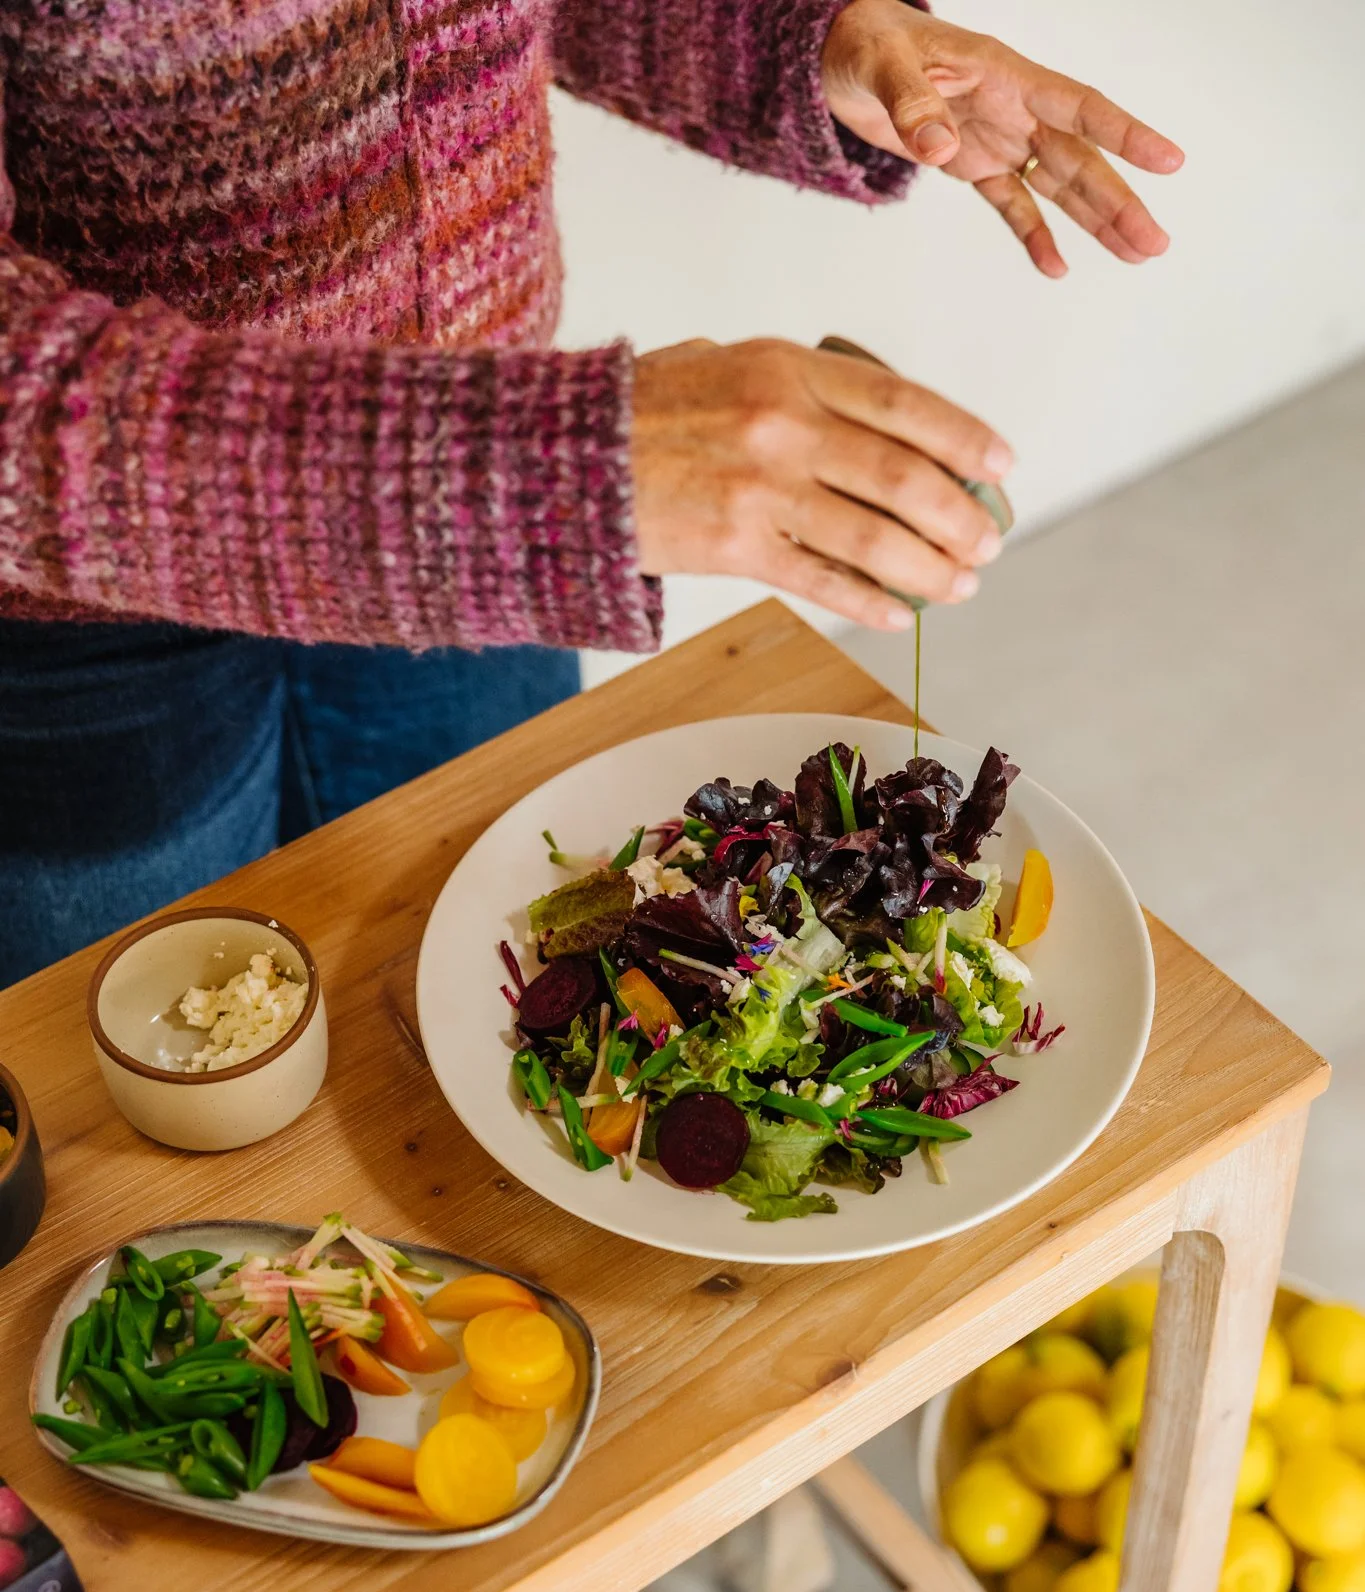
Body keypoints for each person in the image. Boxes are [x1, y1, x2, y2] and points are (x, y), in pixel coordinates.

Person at [0, 1, 1181, 986]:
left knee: (509, 988)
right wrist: (536, 477)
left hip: (475, 559)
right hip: (95, 636)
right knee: (147, 1125)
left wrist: (806, 37)